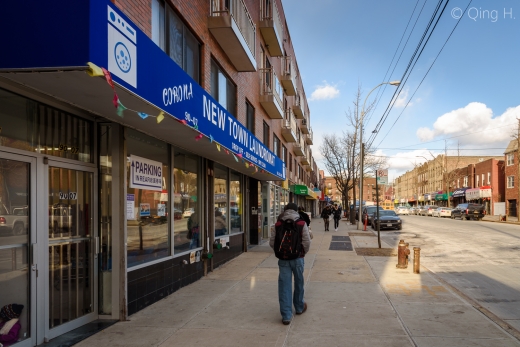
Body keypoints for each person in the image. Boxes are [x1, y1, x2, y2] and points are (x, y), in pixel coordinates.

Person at [270, 203, 311, 325]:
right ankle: (299, 307)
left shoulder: (277, 224)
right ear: (296, 210)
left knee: (284, 286)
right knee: (299, 282)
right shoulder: (301, 223)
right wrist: (302, 253)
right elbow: (307, 242)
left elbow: (272, 242)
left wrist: (280, 252)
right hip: (298, 258)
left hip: (283, 259)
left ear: (285, 210)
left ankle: (286, 315)